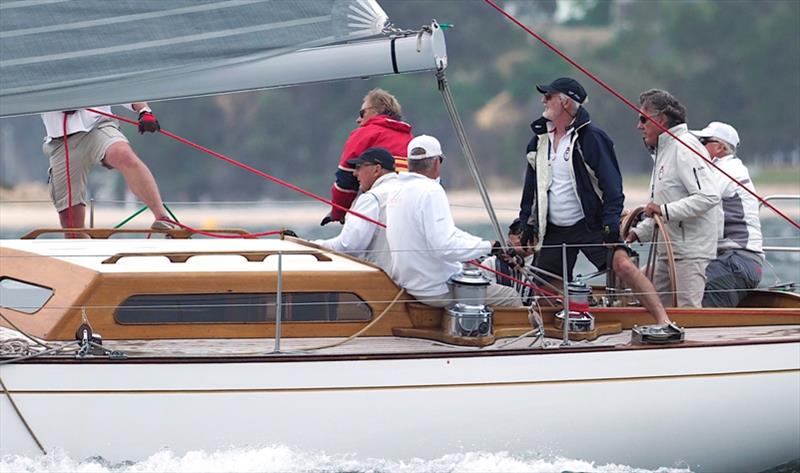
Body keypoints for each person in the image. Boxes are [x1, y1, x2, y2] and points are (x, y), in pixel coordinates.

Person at [519, 77, 671, 324]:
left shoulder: (592, 138)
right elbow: (530, 188)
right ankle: (555, 336)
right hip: (554, 230)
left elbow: (613, 188)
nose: (542, 100)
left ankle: (664, 320)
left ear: (566, 102)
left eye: (548, 96)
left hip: (589, 225)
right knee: (546, 286)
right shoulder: (538, 141)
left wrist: (610, 225)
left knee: (623, 266)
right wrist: (525, 221)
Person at [386, 135, 522, 308]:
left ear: (408, 163)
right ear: (437, 163)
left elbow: (449, 233)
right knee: (511, 296)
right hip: (435, 289)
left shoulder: (396, 190)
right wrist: (487, 247)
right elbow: (444, 246)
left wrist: (488, 244)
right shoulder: (431, 191)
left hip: (409, 282)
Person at [627, 89, 721, 308]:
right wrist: (637, 233)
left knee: (688, 314)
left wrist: (664, 210)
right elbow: (662, 207)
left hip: (689, 253)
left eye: (643, 118)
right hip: (667, 251)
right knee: (656, 311)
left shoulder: (684, 147)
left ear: (661, 120)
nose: (639, 125)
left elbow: (709, 196)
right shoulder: (664, 150)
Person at [41, 104, 175, 231]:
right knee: (71, 226)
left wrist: (144, 110)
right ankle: (82, 249)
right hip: (60, 140)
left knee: (124, 155)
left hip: (98, 126)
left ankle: (162, 218)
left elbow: (122, 85)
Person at [691, 122, 764, 307]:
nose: (697, 145)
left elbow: (698, 199)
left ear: (720, 147)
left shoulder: (728, 170)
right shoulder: (719, 170)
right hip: (730, 259)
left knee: (696, 298)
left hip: (737, 260)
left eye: (703, 141)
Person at [322, 88, 413, 226]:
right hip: (408, 210)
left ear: (376, 111)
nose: (358, 119)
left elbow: (345, 180)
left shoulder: (365, 133)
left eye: (362, 113)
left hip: (377, 208)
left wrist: (338, 212)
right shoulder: (411, 139)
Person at [312, 147, 400, 273]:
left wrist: (312, 245)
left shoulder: (371, 198)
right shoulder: (407, 192)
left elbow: (349, 246)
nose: (355, 173)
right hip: (410, 280)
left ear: (377, 169)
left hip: (383, 283)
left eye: (359, 167)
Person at [479, 218, 535, 305]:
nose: (520, 236)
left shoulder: (545, 265)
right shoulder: (490, 264)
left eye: (526, 232)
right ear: (508, 238)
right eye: (515, 231)